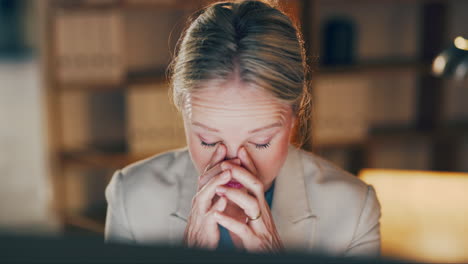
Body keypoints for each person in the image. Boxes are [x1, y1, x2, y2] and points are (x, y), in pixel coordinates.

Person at [104, 0, 381, 257]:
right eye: (208, 141)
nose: (234, 165)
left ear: (295, 115)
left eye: (260, 142)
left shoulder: (353, 212)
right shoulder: (131, 196)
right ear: (184, 115)